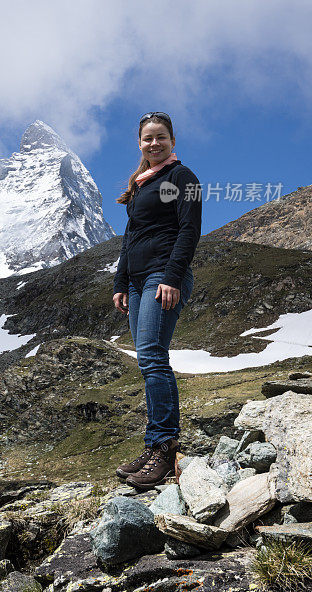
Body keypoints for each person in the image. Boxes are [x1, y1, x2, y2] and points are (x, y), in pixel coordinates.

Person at [112, 112, 202, 491]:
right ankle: (154, 445)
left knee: (152, 357)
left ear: (172, 140)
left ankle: (164, 449)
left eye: (160, 137)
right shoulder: (140, 185)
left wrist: (171, 277)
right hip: (135, 282)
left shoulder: (184, 178)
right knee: (148, 359)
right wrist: (119, 282)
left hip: (162, 277)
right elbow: (130, 238)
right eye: (147, 138)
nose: (154, 143)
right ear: (140, 144)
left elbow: (190, 230)